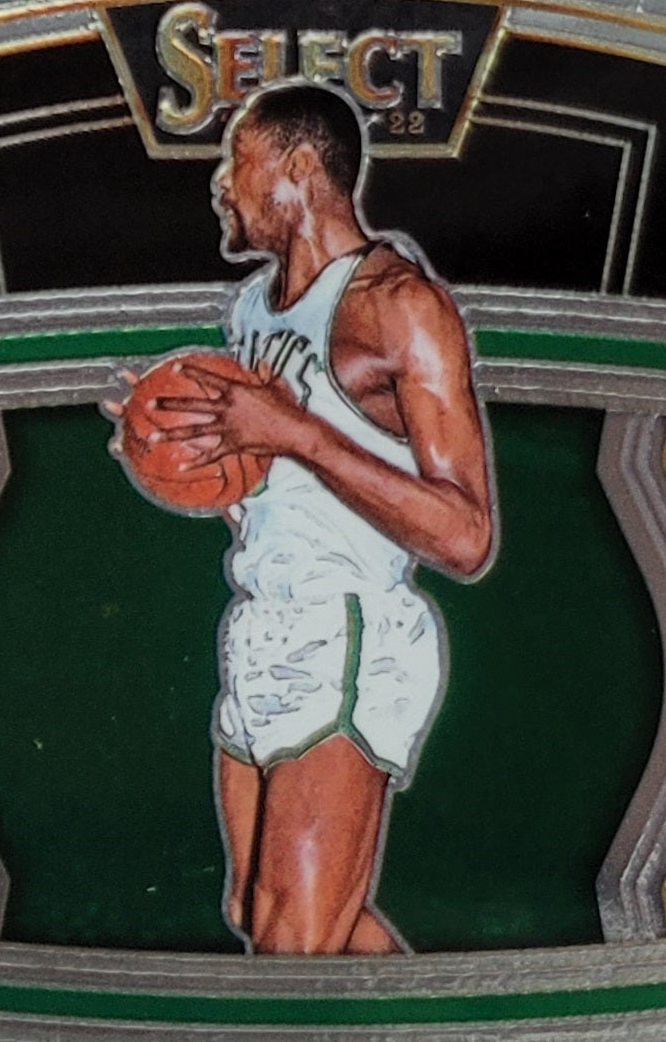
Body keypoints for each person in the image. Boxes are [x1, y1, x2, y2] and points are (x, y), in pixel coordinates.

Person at [110, 81, 495, 954]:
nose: (220, 182)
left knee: (294, 945)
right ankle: (441, 1031)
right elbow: (270, 484)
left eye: (236, 161)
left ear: (297, 168)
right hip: (263, 621)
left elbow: (466, 535)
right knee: (259, 916)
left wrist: (294, 432)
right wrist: (163, 440)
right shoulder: (251, 307)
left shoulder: (399, 306)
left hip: (349, 632)